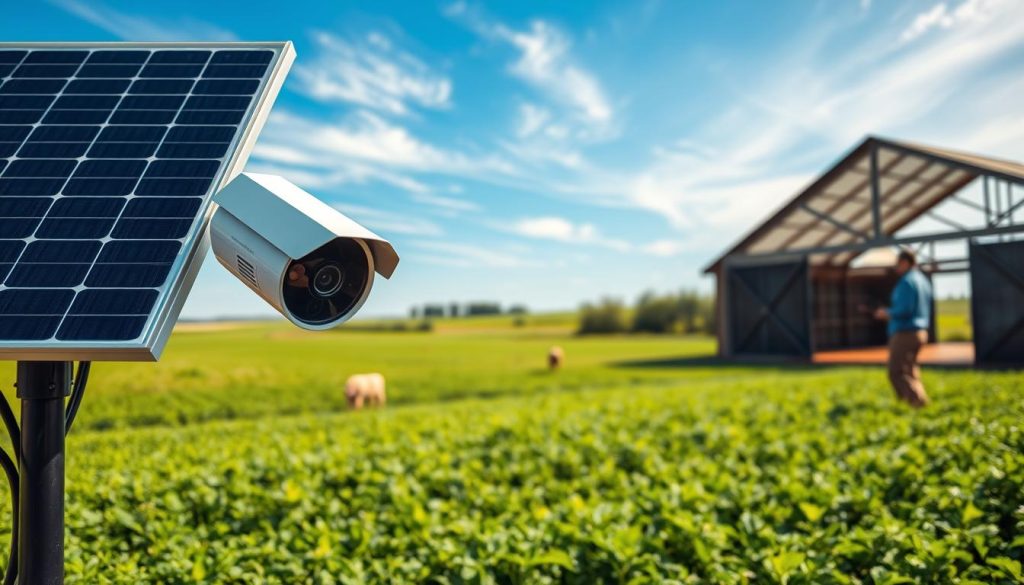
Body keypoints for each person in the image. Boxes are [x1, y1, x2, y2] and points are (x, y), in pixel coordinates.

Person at [872, 250, 933, 408]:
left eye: (897, 264)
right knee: (910, 370)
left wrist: (886, 313)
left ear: (905, 262)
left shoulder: (907, 282)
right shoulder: (923, 281)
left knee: (896, 372)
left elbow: (904, 310)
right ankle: (918, 401)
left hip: (905, 332)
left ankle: (916, 403)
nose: (896, 268)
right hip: (920, 331)